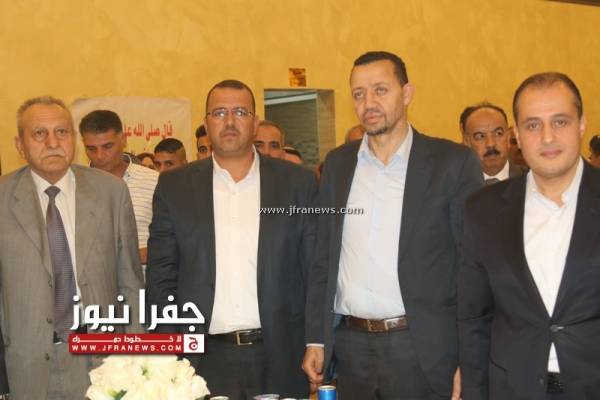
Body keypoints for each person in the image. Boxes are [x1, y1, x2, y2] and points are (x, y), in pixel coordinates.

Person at [303, 51, 482, 400]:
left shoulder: (452, 164)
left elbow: (472, 266)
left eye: (380, 90)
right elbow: (323, 257)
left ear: (407, 93)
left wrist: (470, 356)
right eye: (358, 94)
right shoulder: (338, 165)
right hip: (350, 348)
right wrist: (316, 338)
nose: (368, 103)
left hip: (422, 347)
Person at [146, 79, 317, 399]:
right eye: (219, 112)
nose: (229, 121)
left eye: (240, 112)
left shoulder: (297, 183)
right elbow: (161, 276)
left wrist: (316, 341)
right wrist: (166, 353)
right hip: (204, 359)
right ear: (206, 121)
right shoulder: (175, 187)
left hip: (281, 354)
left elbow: (313, 270)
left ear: (254, 122)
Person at [459, 72, 600, 400]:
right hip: (513, 389)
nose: (547, 137)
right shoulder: (483, 210)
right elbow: (474, 317)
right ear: (517, 136)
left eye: (560, 122)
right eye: (533, 125)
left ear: (581, 125)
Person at [0, 96, 144, 399]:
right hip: (27, 366)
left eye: (62, 132)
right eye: (40, 133)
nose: (53, 143)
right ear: (20, 145)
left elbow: (130, 283)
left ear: (74, 139)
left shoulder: (111, 193)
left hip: (104, 361)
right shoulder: (3, 199)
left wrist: (138, 360)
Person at [79, 110, 158, 265]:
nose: (100, 155)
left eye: (107, 146)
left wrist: (131, 256)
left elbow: (174, 240)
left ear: (123, 140)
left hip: (145, 279)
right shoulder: (74, 185)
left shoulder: (154, 181)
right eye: (92, 149)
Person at [460, 102, 524, 184]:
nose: (491, 144)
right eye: (480, 136)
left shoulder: (532, 181)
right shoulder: (455, 186)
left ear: (508, 138)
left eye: (498, 133)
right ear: (467, 143)